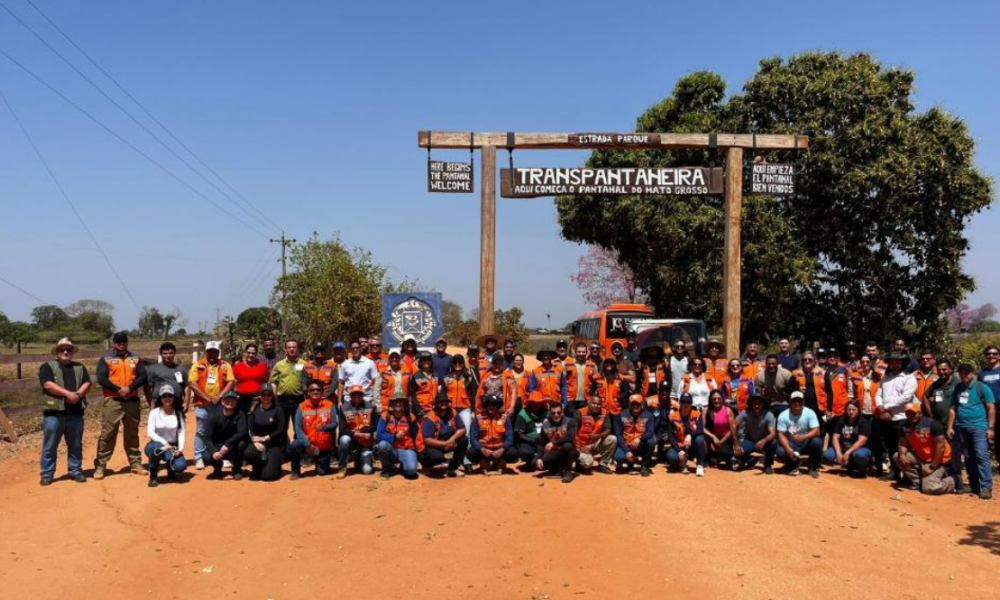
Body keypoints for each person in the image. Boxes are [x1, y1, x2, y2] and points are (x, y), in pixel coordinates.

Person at [94, 331, 149, 479]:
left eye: (124, 341)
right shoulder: (106, 359)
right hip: (113, 401)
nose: (121, 344)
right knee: (108, 433)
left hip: (132, 401)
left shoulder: (135, 358)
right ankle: (101, 465)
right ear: (113, 343)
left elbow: (142, 376)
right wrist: (118, 389)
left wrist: (129, 388)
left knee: (132, 433)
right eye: (118, 341)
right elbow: (101, 378)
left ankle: (135, 463)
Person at [38, 338, 90, 485]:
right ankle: (47, 473)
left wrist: (78, 395)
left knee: (76, 444)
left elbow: (87, 382)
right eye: (62, 349)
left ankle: (76, 470)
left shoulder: (80, 367)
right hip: (54, 414)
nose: (66, 352)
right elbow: (47, 384)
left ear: (72, 352)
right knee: (50, 445)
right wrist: (68, 394)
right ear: (57, 352)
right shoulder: (47, 367)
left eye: (68, 349)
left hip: (75, 412)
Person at [947, 363, 995, 500]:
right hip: (961, 427)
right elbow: (952, 409)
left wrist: (990, 428)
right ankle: (974, 485)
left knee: (981, 455)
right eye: (961, 373)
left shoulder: (982, 387)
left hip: (979, 427)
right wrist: (950, 427)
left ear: (973, 373)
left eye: (966, 373)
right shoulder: (958, 388)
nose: (964, 375)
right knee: (968, 456)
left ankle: (986, 487)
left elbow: (991, 409)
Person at [187, 341, 235, 470]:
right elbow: (192, 383)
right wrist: (205, 397)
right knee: (201, 431)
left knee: (222, 429)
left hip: (220, 404)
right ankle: (198, 458)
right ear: (206, 352)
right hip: (203, 404)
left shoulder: (225, 365)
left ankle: (224, 456)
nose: (212, 354)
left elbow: (231, 381)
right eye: (210, 351)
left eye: (215, 351)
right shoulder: (198, 365)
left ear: (218, 352)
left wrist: (220, 396)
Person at [924, 360, 966, 491]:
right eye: (939, 370)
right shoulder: (936, 385)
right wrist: (931, 414)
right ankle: (946, 477)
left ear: (951, 369)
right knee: (943, 451)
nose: (942, 372)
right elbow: (925, 396)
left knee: (956, 454)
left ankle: (958, 482)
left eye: (944, 369)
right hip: (940, 423)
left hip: (955, 424)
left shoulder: (958, 383)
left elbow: (964, 400)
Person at [875, 352, 917, 481]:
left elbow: (906, 397)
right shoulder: (885, 378)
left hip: (902, 417)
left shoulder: (909, 378)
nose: (895, 363)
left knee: (904, 447)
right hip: (887, 417)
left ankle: (908, 475)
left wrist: (886, 406)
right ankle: (895, 472)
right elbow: (878, 395)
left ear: (903, 363)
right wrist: (881, 408)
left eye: (898, 361)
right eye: (892, 361)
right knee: (891, 445)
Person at [897, 402, 956, 495]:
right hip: (922, 457)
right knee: (897, 456)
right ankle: (918, 482)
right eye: (908, 413)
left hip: (939, 460)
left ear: (919, 413)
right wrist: (901, 454)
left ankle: (952, 481)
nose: (910, 416)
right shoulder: (904, 426)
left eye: (913, 413)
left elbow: (941, 447)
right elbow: (902, 444)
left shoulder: (932, 424)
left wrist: (932, 466)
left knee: (928, 488)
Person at [289, 382, 337, 479]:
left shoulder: (330, 405)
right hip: (308, 444)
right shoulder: (301, 407)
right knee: (295, 445)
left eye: (318, 390)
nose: (315, 392)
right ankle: (295, 471)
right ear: (308, 392)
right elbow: (298, 429)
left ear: (322, 392)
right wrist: (307, 445)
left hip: (323, 446)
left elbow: (334, 424)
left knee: (321, 472)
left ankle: (316, 458)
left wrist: (324, 428)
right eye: (312, 390)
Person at [144, 384, 187, 487]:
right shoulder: (154, 413)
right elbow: (150, 432)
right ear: (160, 398)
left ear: (174, 397)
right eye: (164, 396)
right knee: (155, 447)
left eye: (170, 395)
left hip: (172, 446)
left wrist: (180, 449)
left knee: (180, 466)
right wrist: (165, 443)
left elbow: (181, 432)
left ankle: (171, 469)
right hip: (157, 445)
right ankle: (153, 476)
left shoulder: (178, 413)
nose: (167, 398)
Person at [417, 392, 468, 477]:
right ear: (436, 404)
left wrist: (452, 439)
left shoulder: (453, 412)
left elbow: (463, 429)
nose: (443, 404)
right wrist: (446, 444)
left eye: (445, 401)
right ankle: (426, 465)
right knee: (437, 457)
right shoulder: (430, 417)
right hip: (429, 446)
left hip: (448, 442)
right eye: (441, 402)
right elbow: (427, 440)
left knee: (464, 440)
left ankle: (453, 468)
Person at [244, 383, 287, 481]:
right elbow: (250, 429)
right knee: (248, 453)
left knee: (268, 476)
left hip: (273, 443)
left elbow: (281, 429)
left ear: (272, 396)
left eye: (269, 394)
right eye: (263, 394)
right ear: (260, 395)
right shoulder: (254, 409)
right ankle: (258, 466)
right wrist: (255, 441)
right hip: (258, 442)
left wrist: (266, 438)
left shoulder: (278, 410)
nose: (266, 397)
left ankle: (276, 466)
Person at [776, 391, 823, 478]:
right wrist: (788, 448)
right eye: (794, 401)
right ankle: (792, 464)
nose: (797, 403)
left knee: (817, 442)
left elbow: (817, 431)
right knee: (780, 451)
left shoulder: (810, 413)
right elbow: (781, 434)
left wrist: (802, 437)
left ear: (803, 402)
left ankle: (813, 467)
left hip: (806, 443)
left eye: (800, 401)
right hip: (791, 443)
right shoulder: (783, 415)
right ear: (790, 402)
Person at [202, 391, 247, 480]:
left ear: (236, 402)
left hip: (233, 445)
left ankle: (237, 469)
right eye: (227, 400)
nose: (230, 402)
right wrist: (214, 452)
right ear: (222, 402)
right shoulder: (214, 416)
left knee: (242, 444)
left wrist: (227, 443)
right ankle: (217, 468)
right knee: (206, 457)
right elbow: (206, 437)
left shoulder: (240, 414)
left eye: (233, 400)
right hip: (218, 446)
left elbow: (242, 432)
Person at [336, 384, 379, 478]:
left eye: (359, 394)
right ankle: (342, 467)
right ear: (350, 396)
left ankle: (359, 457)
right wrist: (356, 434)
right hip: (351, 439)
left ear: (362, 395)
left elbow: (376, 425)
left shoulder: (370, 406)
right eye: (354, 394)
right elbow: (342, 429)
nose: (356, 396)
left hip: (365, 441)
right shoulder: (344, 408)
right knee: (344, 439)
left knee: (367, 471)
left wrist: (366, 432)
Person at [468, 394, 516, 474]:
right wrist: (482, 449)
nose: (491, 407)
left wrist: (502, 449)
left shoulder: (505, 418)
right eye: (489, 404)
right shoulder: (478, 419)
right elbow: (473, 439)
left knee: (513, 453)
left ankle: (500, 461)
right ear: (486, 406)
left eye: (494, 405)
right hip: (484, 449)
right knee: (470, 453)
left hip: (499, 449)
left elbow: (510, 438)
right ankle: (484, 462)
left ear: (498, 406)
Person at [268, 339, 307, 436]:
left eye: (294, 347)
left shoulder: (304, 364)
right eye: (289, 347)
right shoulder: (279, 365)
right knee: (282, 427)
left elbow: (308, 381)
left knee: (299, 427)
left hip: (299, 400)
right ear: (285, 350)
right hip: (282, 400)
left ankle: (297, 444)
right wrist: (274, 399)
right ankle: (283, 445)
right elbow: (273, 382)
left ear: (298, 349)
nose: (291, 349)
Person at [375, 394, 419, 480]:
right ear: (392, 404)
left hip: (406, 449)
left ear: (404, 404)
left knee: (411, 471)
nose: (398, 404)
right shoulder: (385, 416)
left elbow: (416, 435)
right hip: (392, 450)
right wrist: (395, 437)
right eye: (396, 402)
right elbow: (379, 435)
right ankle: (387, 468)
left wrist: (418, 451)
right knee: (382, 445)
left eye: (400, 402)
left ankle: (404, 465)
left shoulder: (410, 417)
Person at [822, 401, 871, 477]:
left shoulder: (863, 422)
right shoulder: (841, 420)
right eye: (849, 409)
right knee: (827, 454)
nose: (851, 412)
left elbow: (862, 441)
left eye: (854, 410)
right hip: (843, 448)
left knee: (860, 455)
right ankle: (846, 464)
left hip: (858, 450)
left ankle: (861, 467)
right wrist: (838, 453)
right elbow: (835, 437)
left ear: (858, 410)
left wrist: (848, 453)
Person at [535, 400, 579, 483]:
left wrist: (554, 442)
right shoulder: (545, 423)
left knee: (567, 445)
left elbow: (570, 437)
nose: (556, 415)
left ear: (562, 412)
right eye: (553, 413)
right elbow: (541, 442)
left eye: (559, 412)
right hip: (554, 452)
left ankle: (568, 471)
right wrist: (539, 458)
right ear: (550, 413)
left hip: (571, 451)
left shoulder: (570, 421)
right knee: (535, 463)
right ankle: (557, 469)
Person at [664, 394, 706, 475]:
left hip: (692, 445)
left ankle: (700, 465)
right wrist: (679, 451)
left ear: (691, 404)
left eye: (688, 402)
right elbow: (670, 436)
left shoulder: (697, 414)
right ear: (680, 403)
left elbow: (700, 430)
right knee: (671, 457)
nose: (686, 404)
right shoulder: (672, 417)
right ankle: (681, 463)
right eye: (683, 402)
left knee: (700, 439)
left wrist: (690, 435)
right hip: (679, 445)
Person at [574, 395, 616, 474]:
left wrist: (598, 436)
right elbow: (573, 432)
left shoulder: (604, 412)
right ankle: (579, 462)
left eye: (598, 404)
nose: (596, 406)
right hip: (581, 445)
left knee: (612, 439)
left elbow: (608, 429)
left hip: (595, 443)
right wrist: (579, 447)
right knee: (586, 463)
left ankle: (603, 465)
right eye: (593, 403)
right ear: (588, 402)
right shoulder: (580, 412)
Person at [734, 394, 777, 474]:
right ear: (751, 405)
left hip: (764, 442)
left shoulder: (769, 415)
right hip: (750, 440)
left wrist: (763, 441)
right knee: (736, 452)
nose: (756, 406)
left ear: (763, 404)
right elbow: (733, 426)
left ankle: (768, 464)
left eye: (759, 404)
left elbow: (773, 433)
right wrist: (736, 444)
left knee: (773, 443)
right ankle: (750, 459)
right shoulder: (746, 412)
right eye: (754, 404)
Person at [614, 394, 655, 476]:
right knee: (619, 457)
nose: (635, 406)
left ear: (642, 404)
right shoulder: (621, 415)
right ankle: (629, 465)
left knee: (651, 442)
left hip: (641, 445)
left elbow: (650, 432)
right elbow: (618, 434)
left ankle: (644, 466)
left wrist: (640, 438)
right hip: (627, 444)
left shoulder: (649, 415)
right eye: (633, 404)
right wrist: (627, 451)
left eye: (638, 404)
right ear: (629, 405)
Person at [822, 349, 855, 439]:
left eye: (835, 356)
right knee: (827, 432)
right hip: (827, 408)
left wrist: (850, 400)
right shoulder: (822, 371)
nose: (832, 358)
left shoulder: (844, 370)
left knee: (843, 432)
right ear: (827, 358)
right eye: (830, 356)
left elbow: (850, 386)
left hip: (842, 408)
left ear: (838, 358)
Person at [144, 341, 188, 410]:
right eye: (165, 353)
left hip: (177, 404)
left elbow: (187, 386)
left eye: (170, 353)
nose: (168, 355)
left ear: (174, 353)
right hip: (159, 404)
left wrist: (186, 402)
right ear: (160, 354)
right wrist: (151, 403)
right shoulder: (153, 369)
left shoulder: (181, 369)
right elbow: (147, 388)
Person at [338, 340, 378, 410]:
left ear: (361, 348)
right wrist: (339, 401)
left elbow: (376, 382)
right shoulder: (344, 364)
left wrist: (375, 400)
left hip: (366, 399)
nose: (355, 350)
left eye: (357, 348)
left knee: (367, 417)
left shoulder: (370, 363)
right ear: (350, 350)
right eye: (353, 348)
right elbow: (341, 383)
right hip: (349, 400)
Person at [703, 389, 737, 470]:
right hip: (711, 438)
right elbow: (702, 428)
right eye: (714, 399)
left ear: (722, 399)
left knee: (725, 453)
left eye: (719, 398)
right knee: (702, 440)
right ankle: (708, 458)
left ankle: (721, 456)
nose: (716, 401)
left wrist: (721, 442)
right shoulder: (706, 410)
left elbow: (732, 430)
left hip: (725, 438)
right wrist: (713, 437)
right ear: (710, 400)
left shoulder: (728, 410)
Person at [791, 352, 827, 426]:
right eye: (805, 359)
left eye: (810, 359)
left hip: (819, 407)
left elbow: (829, 392)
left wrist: (829, 409)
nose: (807, 361)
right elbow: (788, 389)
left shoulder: (823, 373)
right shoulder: (796, 373)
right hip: (802, 406)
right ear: (802, 361)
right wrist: (797, 389)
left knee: (821, 426)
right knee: (801, 426)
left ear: (814, 361)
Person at [977, 346, 1000, 460]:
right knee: (992, 437)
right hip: (988, 411)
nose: (991, 356)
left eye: (994, 353)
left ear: (999, 355)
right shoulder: (981, 373)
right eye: (988, 354)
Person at [514, 391, 549, 468]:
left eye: (538, 402)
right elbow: (518, 434)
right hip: (530, 441)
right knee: (524, 452)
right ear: (529, 402)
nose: (536, 404)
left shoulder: (548, 412)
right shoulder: (523, 414)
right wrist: (533, 440)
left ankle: (539, 460)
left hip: (545, 441)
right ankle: (534, 459)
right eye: (534, 402)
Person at [232, 343, 269, 413]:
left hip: (257, 399)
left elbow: (266, 380)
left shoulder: (262, 366)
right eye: (248, 353)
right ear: (245, 353)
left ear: (256, 354)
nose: (251, 355)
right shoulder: (237, 366)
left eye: (253, 353)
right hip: (241, 399)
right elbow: (232, 381)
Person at [564, 343, 596, 416]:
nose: (581, 354)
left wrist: (592, 397)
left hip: (586, 400)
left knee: (584, 421)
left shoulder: (592, 365)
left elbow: (597, 383)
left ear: (586, 352)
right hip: (571, 400)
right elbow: (563, 383)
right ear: (575, 352)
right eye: (579, 352)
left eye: (583, 352)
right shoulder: (567, 364)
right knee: (570, 421)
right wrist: (565, 398)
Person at [409, 352, 439, 418]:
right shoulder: (416, 376)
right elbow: (412, 395)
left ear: (431, 361)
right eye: (424, 360)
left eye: (428, 359)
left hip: (434, 409)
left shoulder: (436, 375)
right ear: (421, 362)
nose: (426, 361)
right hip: (422, 410)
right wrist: (418, 409)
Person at [379, 352, 410, 418]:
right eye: (392, 357)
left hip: (402, 405)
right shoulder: (382, 372)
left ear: (399, 359)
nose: (394, 359)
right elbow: (376, 390)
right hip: (386, 406)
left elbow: (410, 389)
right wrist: (378, 406)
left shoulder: (406, 371)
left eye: (396, 357)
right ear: (388, 359)